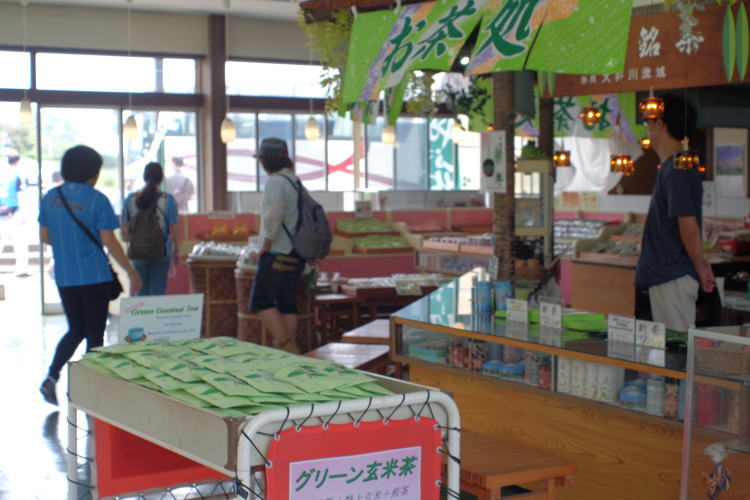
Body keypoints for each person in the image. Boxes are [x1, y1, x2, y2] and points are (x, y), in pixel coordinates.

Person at [38, 145, 142, 405]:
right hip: (94, 276)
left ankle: (51, 377)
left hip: (65, 277)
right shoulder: (97, 200)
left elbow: (44, 236)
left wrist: (67, 246)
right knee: (94, 332)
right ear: (92, 173)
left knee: (75, 329)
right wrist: (130, 271)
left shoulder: (50, 197)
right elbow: (111, 242)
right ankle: (93, 390)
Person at [635, 93, 716, 332]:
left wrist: (700, 268)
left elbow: (688, 227)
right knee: (664, 351)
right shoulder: (673, 165)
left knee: (675, 352)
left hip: (672, 275)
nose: (646, 126)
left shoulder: (678, 167)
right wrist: (701, 261)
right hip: (667, 274)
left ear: (660, 124)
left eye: (648, 120)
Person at [248, 138, 304, 353]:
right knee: (286, 303)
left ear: (266, 160)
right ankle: (291, 353)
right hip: (296, 253)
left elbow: (273, 216)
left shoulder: (275, 182)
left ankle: (287, 347)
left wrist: (265, 245)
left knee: (260, 302)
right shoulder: (293, 180)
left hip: (277, 252)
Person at [121, 162, 180, 296]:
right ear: (161, 178)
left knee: (141, 292)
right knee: (158, 292)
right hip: (162, 251)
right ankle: (157, 317)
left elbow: (124, 226)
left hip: (138, 250)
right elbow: (174, 228)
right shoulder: (168, 199)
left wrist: (129, 240)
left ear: (144, 177)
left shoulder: (131, 198)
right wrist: (177, 250)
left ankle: (142, 317)